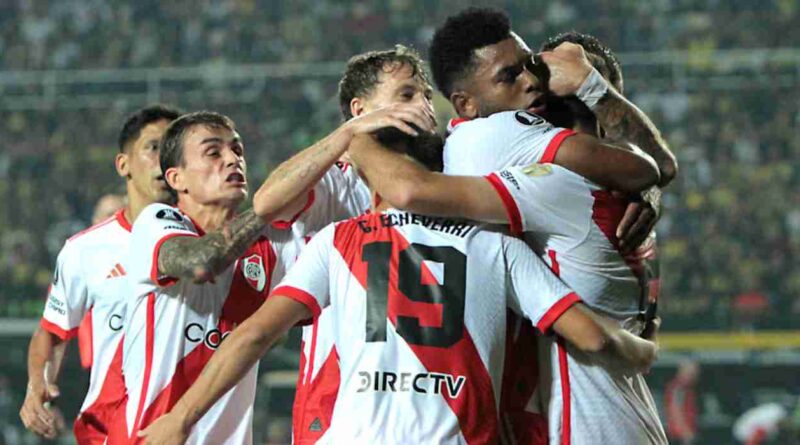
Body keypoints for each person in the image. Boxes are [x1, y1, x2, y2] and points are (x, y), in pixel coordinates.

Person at [137, 129, 658, 445]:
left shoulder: (339, 241)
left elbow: (251, 337)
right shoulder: (496, 246)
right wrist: (643, 346)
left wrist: (180, 420)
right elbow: (593, 340)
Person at [348, 7, 678, 444]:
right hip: (627, 419)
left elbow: (411, 190)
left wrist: (354, 137)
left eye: (546, 75)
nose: (535, 82)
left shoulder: (515, 151)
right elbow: (659, 167)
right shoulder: (626, 206)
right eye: (519, 73)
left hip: (583, 429)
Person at [110, 106, 436, 445]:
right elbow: (201, 263)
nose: (232, 159)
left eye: (237, 149)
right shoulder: (156, 222)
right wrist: (344, 135)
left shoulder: (274, 247)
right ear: (176, 178)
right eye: (213, 152)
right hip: (149, 435)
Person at [292, 45, 436, 444]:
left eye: (425, 94)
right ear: (360, 109)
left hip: (429, 387)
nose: (424, 105)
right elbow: (269, 201)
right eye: (406, 95)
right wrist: (348, 137)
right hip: (338, 386)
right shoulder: (333, 181)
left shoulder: (450, 174)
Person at [19, 105, 181, 444]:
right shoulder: (86, 249)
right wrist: (38, 385)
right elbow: (52, 332)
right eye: (154, 148)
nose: (165, 160)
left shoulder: (211, 247)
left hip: (191, 427)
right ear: (124, 165)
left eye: (174, 149)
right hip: (110, 428)